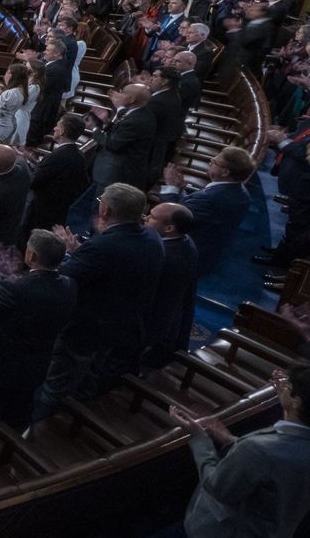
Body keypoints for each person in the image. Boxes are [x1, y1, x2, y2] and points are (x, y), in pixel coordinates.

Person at [36, 183, 165, 417]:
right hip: (127, 325)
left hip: (88, 331)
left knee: (58, 387)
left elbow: (62, 277)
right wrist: (80, 252)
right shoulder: (152, 237)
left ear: (105, 211)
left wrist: (68, 254)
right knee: (94, 381)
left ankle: (43, 432)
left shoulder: (103, 246)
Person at [172, 364, 310, 538]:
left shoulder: (257, 449)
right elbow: (281, 465)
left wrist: (200, 439)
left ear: (297, 401)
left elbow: (218, 486)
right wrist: (229, 440)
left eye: (288, 386)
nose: (281, 386)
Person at [0, 229, 76, 438]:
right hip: (35, 366)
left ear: (32, 256)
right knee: (17, 416)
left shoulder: (15, 288)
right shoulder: (69, 285)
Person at [142, 202, 198, 368]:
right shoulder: (185, 241)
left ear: (169, 228)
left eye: (152, 217)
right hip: (171, 314)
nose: (145, 218)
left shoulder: (163, 256)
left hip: (151, 321)